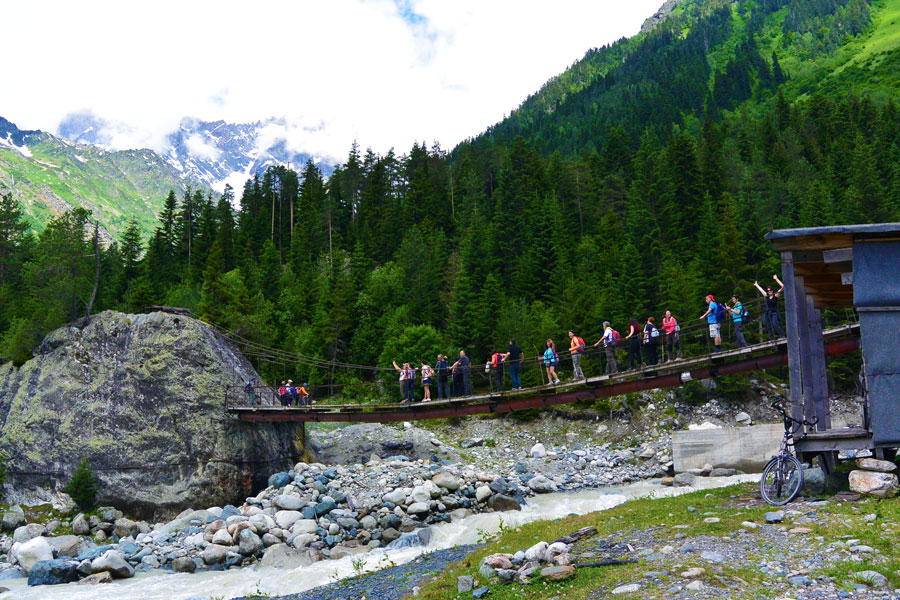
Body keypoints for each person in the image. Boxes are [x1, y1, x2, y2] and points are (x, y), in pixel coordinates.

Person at [754, 275, 785, 340]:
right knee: (768, 326)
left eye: (770, 290)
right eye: (768, 291)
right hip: (767, 312)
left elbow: (783, 287)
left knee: (775, 324)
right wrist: (756, 285)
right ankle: (772, 338)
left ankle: (782, 335)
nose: (769, 291)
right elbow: (761, 290)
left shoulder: (775, 295)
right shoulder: (766, 296)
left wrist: (776, 278)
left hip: (774, 312)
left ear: (772, 290)